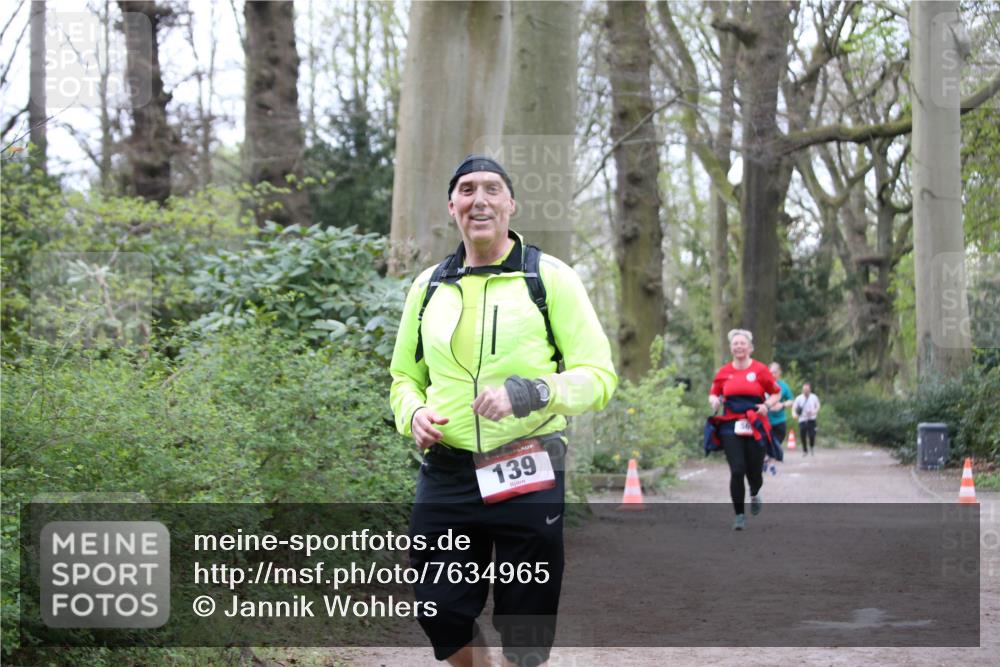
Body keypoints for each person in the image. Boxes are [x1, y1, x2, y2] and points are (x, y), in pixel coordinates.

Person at [389, 154, 617, 667]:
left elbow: (599, 378)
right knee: (438, 607)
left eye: (492, 189)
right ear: (453, 206)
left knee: (526, 617)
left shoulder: (549, 279)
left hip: (527, 463)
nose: (480, 200)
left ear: (511, 204)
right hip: (448, 471)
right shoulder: (428, 287)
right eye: (467, 190)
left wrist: (533, 392)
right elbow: (404, 376)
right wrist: (414, 414)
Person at [706, 329, 781, 531]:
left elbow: (776, 392)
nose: (739, 346)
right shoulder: (723, 372)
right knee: (737, 469)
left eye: (742, 343)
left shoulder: (760, 370)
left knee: (754, 471)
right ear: (731, 348)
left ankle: (755, 492)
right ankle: (739, 515)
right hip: (731, 423)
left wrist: (766, 405)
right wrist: (714, 400)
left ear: (750, 347)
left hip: (755, 420)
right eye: (735, 344)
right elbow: (714, 393)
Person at [764, 362, 795, 474]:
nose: (773, 374)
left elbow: (791, 400)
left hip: (779, 420)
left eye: (775, 372)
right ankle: (770, 464)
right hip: (765, 420)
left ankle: (769, 461)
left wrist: (782, 405)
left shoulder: (783, 386)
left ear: (779, 373)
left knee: (776, 442)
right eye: (770, 372)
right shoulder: (763, 385)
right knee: (766, 442)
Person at [792, 383, 821, 455]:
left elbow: (818, 405)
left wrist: (815, 411)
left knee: (812, 435)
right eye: (804, 389)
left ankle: (812, 447)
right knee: (803, 435)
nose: (805, 391)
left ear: (810, 389)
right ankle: (805, 450)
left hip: (812, 419)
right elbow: (794, 407)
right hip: (802, 419)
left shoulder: (814, 397)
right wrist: (794, 414)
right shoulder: (799, 398)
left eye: (807, 389)